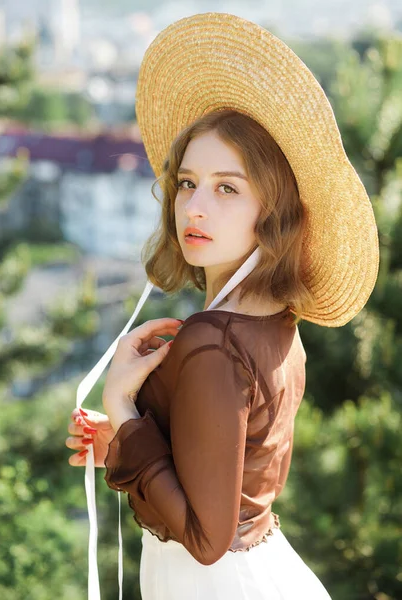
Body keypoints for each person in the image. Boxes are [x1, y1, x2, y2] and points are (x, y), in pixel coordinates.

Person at [65, 13, 379, 600]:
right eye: (187, 183)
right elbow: (236, 480)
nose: (195, 208)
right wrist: (129, 439)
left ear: (274, 209)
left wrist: (123, 404)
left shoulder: (212, 340)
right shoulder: (277, 319)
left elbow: (207, 540)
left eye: (227, 188)